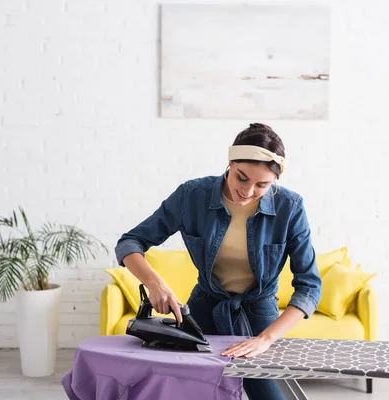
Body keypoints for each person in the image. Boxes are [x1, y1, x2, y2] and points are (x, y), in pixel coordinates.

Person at [114, 123, 322, 399]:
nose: (247, 191)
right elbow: (130, 242)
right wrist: (155, 284)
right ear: (230, 162)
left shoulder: (290, 207)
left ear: (275, 181)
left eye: (262, 185)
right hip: (203, 309)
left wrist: (266, 339)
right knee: (184, 392)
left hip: (260, 317)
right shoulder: (192, 196)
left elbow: (309, 286)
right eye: (241, 177)